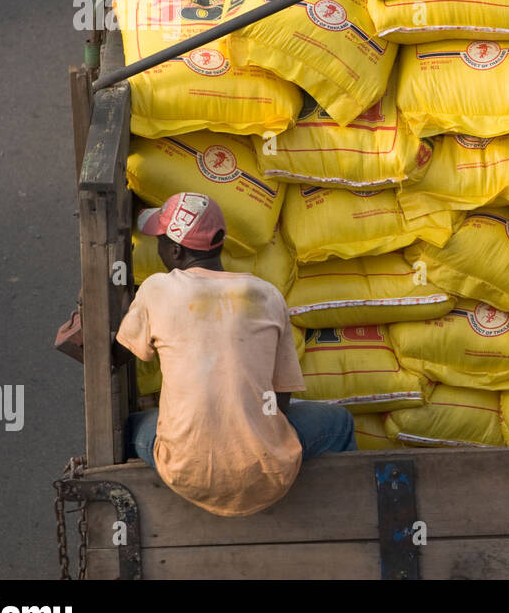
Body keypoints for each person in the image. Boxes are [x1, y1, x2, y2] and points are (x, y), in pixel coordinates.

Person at [117, 192, 355, 517]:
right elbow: (281, 400)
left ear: (175, 250)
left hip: (184, 471)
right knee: (340, 423)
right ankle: (344, 518)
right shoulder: (266, 295)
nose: (158, 248)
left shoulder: (157, 289)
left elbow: (123, 352)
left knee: (130, 429)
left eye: (160, 240)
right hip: (268, 474)